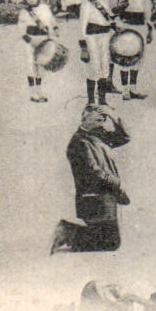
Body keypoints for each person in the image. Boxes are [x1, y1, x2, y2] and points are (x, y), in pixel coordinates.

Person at [50, 105, 131, 254]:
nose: (102, 123)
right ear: (84, 118)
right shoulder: (80, 142)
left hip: (105, 197)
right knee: (110, 242)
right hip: (94, 199)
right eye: (98, 119)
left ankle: (67, 232)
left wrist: (114, 117)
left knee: (111, 241)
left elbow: (124, 137)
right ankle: (66, 232)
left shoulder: (98, 135)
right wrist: (118, 183)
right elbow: (95, 172)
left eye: (103, 119)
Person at [17, 0, 56, 103]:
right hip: (30, 40)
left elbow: (51, 21)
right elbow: (20, 29)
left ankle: (39, 91)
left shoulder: (45, 8)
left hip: (43, 38)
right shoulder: (24, 12)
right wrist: (29, 40)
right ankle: (33, 93)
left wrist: (55, 30)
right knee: (30, 65)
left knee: (41, 64)